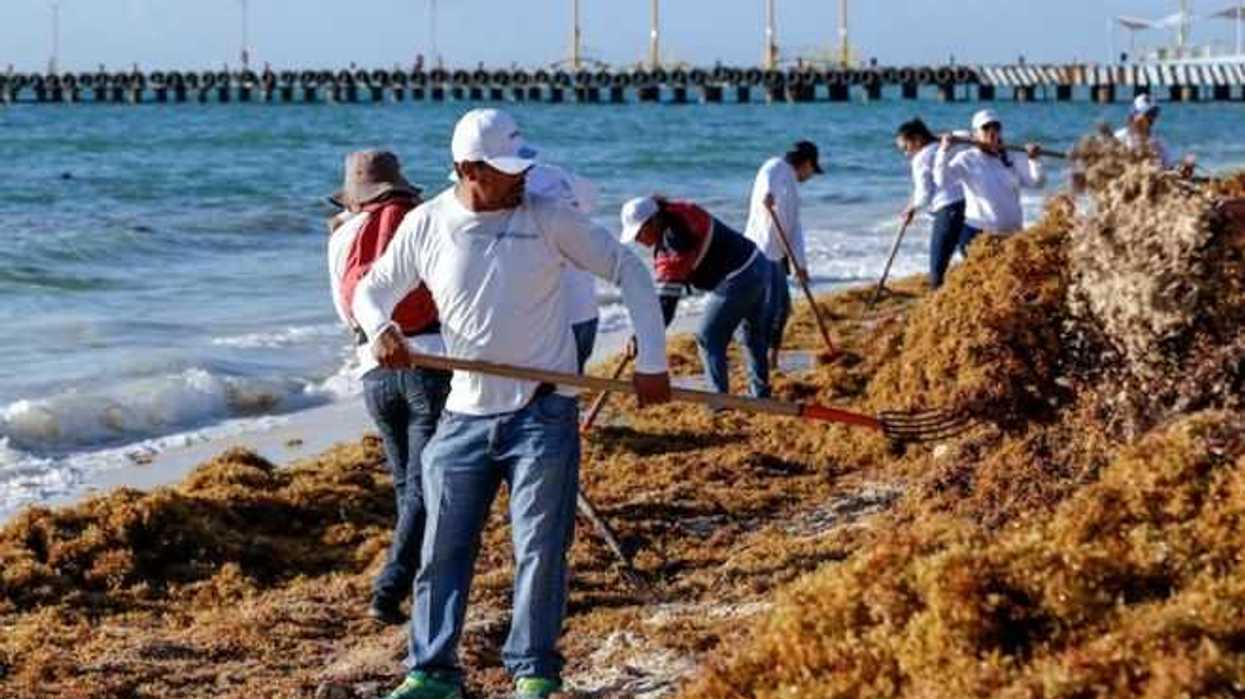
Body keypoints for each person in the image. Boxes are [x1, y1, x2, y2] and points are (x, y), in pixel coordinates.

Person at [353, 108, 671, 699]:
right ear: (466, 169)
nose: (520, 177)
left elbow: (627, 267)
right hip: (463, 417)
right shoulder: (426, 225)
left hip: (542, 411)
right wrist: (381, 331)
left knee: (540, 547)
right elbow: (372, 291)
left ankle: (535, 672)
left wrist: (653, 360)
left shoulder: (549, 218)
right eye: (503, 169)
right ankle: (433, 670)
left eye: (522, 164)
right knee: (442, 548)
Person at [325, 150, 449, 627]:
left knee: (407, 485)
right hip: (428, 361)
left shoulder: (339, 236)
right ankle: (391, 589)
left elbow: (347, 310)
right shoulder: (417, 222)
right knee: (426, 485)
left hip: (372, 370)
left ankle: (412, 585)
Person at [620, 195, 771, 398]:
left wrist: (641, 337)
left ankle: (719, 401)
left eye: (639, 233)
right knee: (752, 335)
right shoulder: (678, 210)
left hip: (739, 276)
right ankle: (761, 394)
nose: (638, 241)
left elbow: (665, 307)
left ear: (654, 221)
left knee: (708, 338)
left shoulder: (674, 243)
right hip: (758, 263)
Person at [744, 140, 824, 367]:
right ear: (806, 163)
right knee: (771, 309)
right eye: (812, 170)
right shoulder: (775, 166)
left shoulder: (792, 187)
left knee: (782, 308)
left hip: (778, 256)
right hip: (761, 251)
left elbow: (795, 229)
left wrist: (801, 264)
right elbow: (766, 180)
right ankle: (764, 359)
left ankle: (771, 357)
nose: (810, 176)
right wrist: (767, 195)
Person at [524, 161, 601, 372]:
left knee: (542, 396)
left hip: (551, 320)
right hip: (585, 310)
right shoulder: (562, 176)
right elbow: (591, 200)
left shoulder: (514, 187)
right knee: (567, 392)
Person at [933, 109, 1046, 250]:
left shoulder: (1013, 155)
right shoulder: (967, 158)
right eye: (986, 128)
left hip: (1012, 235)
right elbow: (942, 180)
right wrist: (943, 151)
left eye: (996, 127)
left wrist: (1034, 160)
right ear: (975, 133)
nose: (992, 132)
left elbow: (1037, 182)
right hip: (979, 236)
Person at [896, 118, 968, 289]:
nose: (906, 153)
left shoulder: (921, 158)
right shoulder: (945, 145)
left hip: (948, 209)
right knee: (970, 253)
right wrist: (911, 206)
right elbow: (966, 134)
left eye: (906, 147)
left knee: (937, 266)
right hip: (968, 205)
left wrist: (912, 208)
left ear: (918, 139)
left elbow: (924, 195)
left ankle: (936, 300)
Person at [1115, 93, 1195, 176]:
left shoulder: (1158, 141)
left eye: (1155, 113)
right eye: (1149, 114)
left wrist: (1183, 168)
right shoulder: (1120, 137)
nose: (1153, 118)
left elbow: (1170, 165)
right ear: (1136, 115)